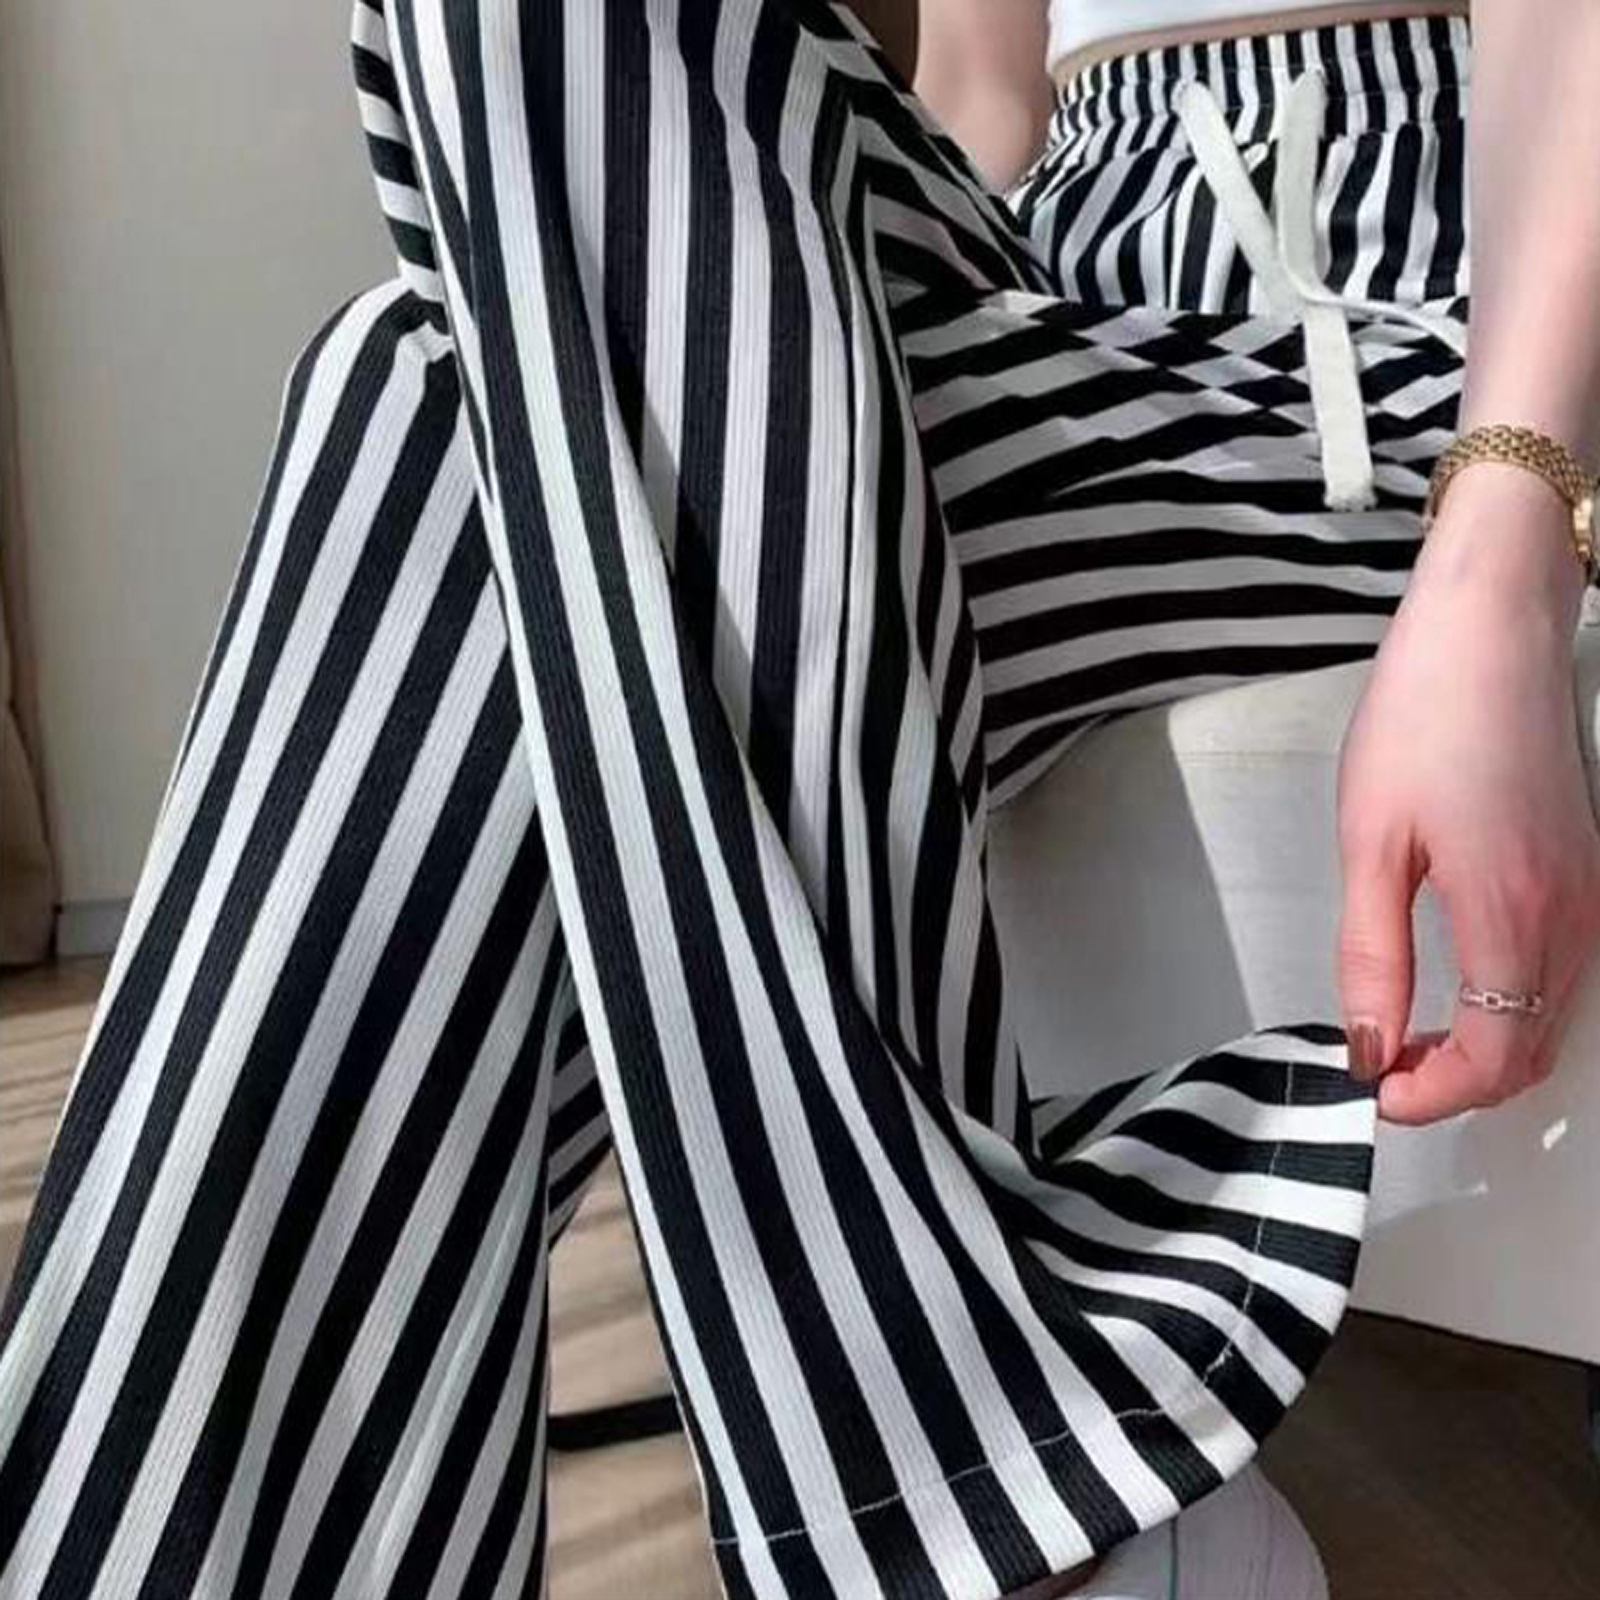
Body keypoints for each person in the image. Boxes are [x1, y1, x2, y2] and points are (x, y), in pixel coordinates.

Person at [0, 2, 1596, 1598]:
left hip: (1397, 324)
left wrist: (1509, 549)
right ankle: (962, 1450)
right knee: (465, 332)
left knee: (408, 403)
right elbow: (982, 93)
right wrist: (794, 344)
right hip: (1060, 291)